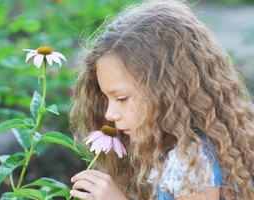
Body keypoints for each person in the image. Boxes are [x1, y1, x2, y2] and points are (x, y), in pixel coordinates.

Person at [69, 0, 254, 199]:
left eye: (122, 98)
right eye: (106, 98)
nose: (109, 113)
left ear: (167, 91)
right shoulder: (175, 150)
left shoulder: (193, 160)